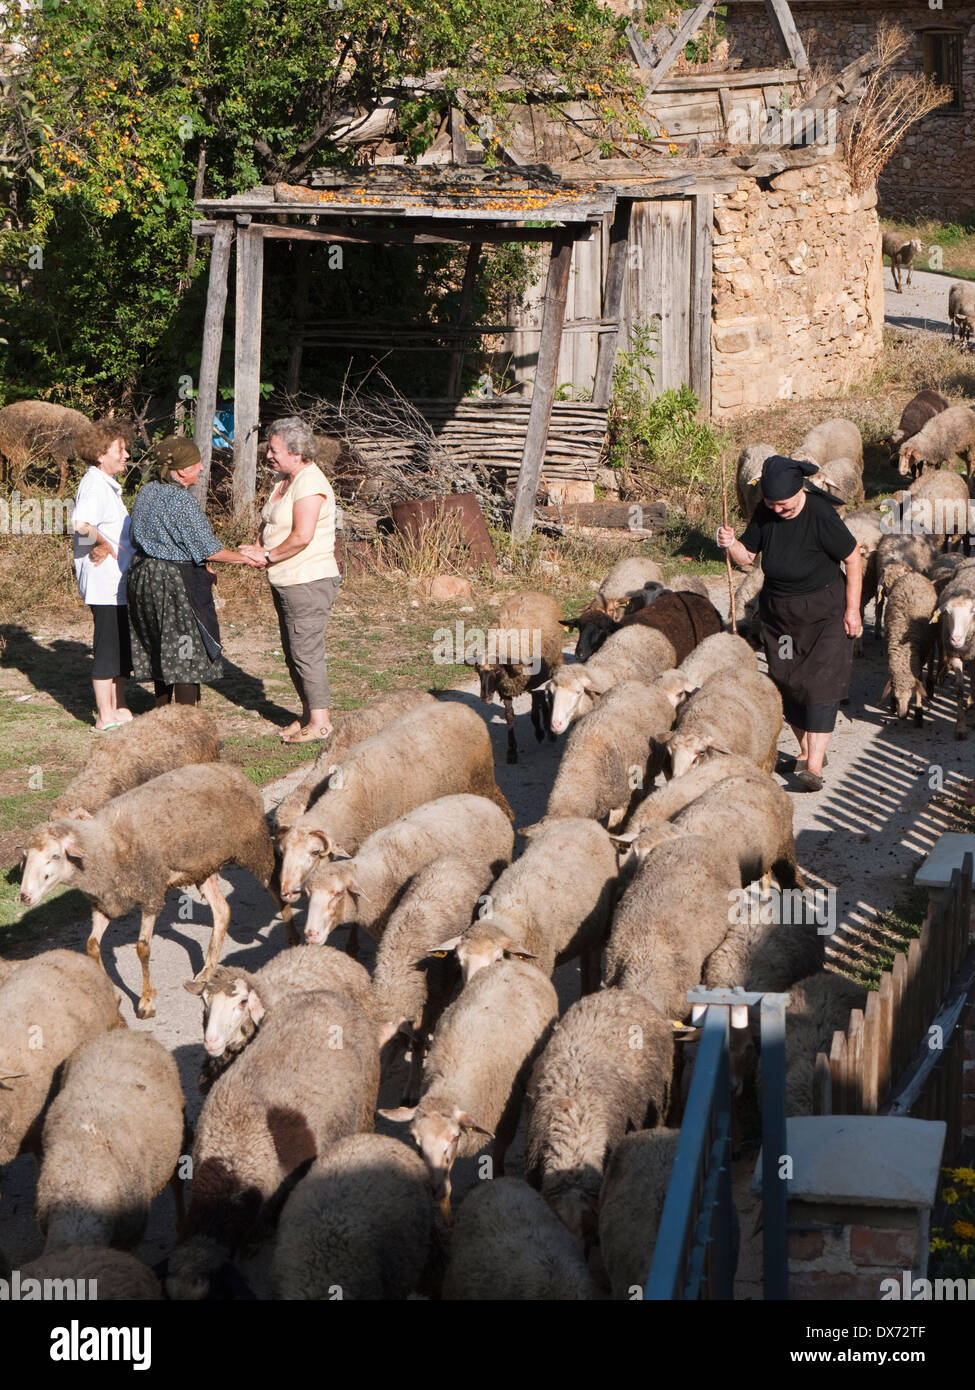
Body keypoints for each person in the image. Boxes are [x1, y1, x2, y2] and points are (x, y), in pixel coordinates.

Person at [717, 454, 862, 793]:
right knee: (786, 679)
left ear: (800, 492)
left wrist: (852, 610)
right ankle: (805, 751)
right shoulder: (766, 512)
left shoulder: (820, 514)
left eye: (783, 505)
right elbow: (747, 558)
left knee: (820, 683)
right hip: (781, 612)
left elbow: (853, 558)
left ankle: (813, 767)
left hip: (825, 610)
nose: (778, 510)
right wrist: (731, 544)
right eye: (771, 504)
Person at [127, 435, 263, 707]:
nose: (202, 468)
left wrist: (202, 566)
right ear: (180, 471)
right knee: (185, 649)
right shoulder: (182, 501)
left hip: (144, 577)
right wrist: (247, 559)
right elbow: (208, 549)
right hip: (174, 584)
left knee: (162, 647)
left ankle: (162, 716)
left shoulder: (148, 491)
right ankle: (189, 724)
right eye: (196, 464)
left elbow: (141, 537)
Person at [239, 417, 340, 743]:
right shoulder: (286, 480)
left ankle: (321, 722)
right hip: (286, 578)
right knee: (293, 650)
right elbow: (272, 521)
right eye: (269, 448)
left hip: (307, 580)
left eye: (274, 450)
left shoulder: (310, 483)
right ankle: (309, 713)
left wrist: (267, 556)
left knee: (306, 651)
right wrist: (258, 545)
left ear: (297, 453)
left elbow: (301, 536)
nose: (268, 454)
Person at [71, 420, 135, 730]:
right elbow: (81, 526)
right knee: (108, 645)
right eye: (120, 450)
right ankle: (104, 714)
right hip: (104, 583)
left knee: (121, 643)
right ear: (100, 454)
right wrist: (102, 542)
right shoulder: (94, 485)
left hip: (117, 583)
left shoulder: (107, 485)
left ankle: (119, 705)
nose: (126, 455)